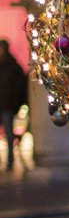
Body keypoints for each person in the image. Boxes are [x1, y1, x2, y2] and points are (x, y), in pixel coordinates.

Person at [0, 40, 27, 170]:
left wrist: (17, 103)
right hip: (5, 104)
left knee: (9, 134)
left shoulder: (13, 67)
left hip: (7, 105)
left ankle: (10, 160)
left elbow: (20, 87)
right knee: (9, 134)